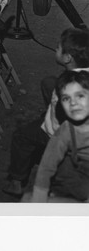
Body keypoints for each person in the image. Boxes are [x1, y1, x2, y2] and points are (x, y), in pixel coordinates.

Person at [4, 28, 89, 198]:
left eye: (58, 47)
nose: (55, 49)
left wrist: (49, 123)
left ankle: (17, 182)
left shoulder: (67, 89)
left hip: (60, 133)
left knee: (21, 136)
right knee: (48, 82)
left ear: (67, 58)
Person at [29, 71, 89, 202]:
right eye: (66, 98)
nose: (73, 103)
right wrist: (39, 199)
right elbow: (46, 167)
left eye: (80, 96)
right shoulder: (66, 130)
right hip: (78, 175)